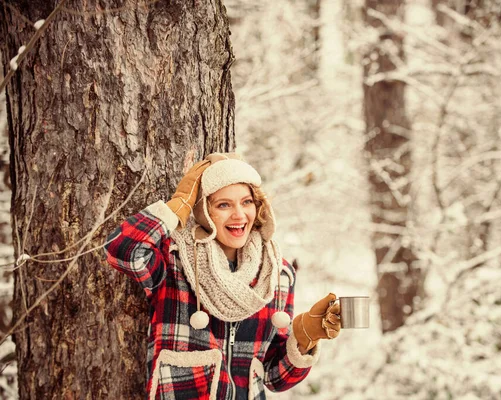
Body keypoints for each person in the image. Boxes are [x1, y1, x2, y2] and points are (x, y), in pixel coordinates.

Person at [104, 152, 341, 400]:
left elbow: (274, 378)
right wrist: (179, 205)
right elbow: (121, 249)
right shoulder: (175, 261)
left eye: (247, 202)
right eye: (224, 205)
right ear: (204, 211)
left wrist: (305, 337)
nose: (239, 214)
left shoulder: (276, 274)